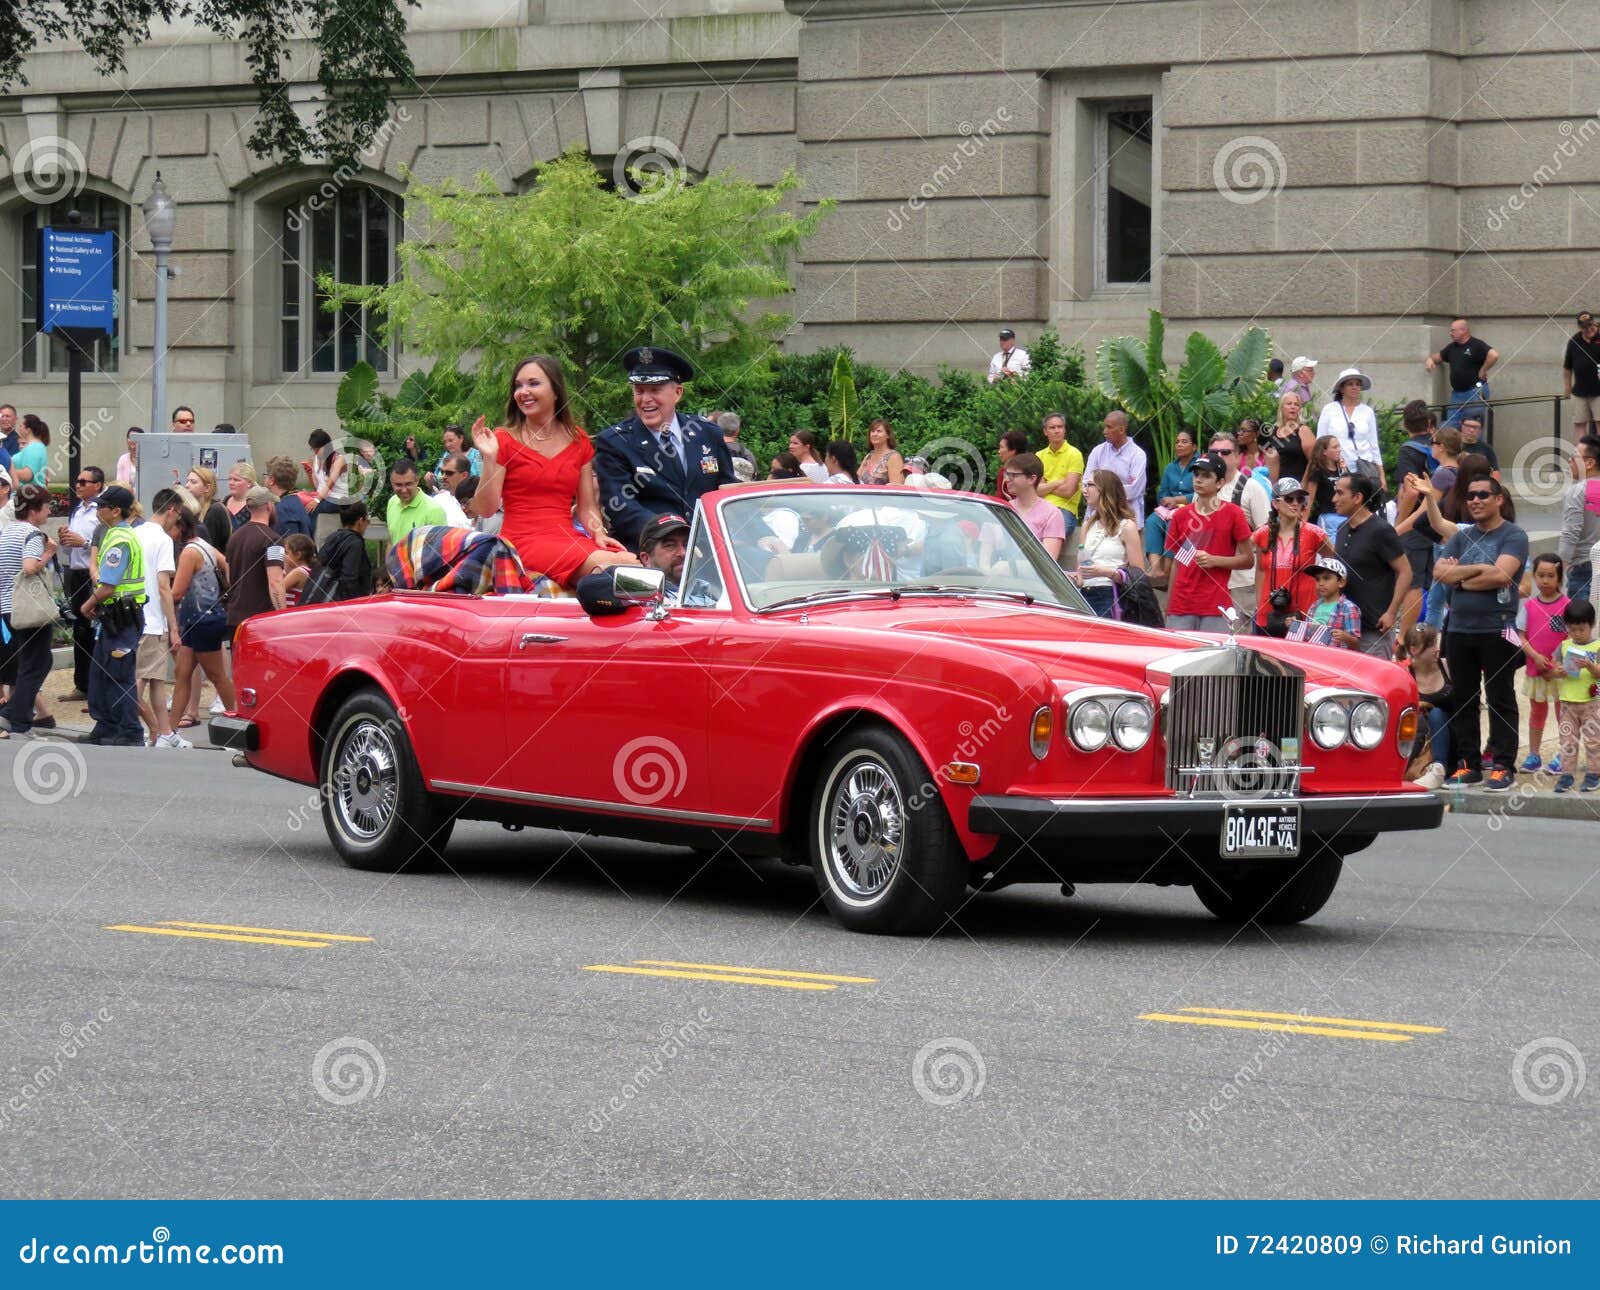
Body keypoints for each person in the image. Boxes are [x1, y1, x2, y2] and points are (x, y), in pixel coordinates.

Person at [474, 354, 637, 584]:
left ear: (556, 391)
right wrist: (490, 458)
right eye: (518, 386)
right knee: (615, 569)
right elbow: (486, 509)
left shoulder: (579, 440)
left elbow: (587, 507)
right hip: (523, 541)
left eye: (533, 383)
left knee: (632, 562)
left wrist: (599, 533)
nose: (523, 392)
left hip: (567, 538)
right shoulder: (503, 439)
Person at [593, 346, 737, 551]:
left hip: (710, 545)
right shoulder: (615, 441)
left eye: (655, 390)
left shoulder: (707, 433)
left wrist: (758, 535)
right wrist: (676, 536)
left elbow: (726, 491)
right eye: (639, 391)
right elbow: (621, 507)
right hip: (650, 549)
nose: (645, 399)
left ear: (677, 393)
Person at [1435, 477, 1528, 790]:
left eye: (1482, 495)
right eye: (1470, 495)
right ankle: (1467, 765)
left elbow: (1501, 574)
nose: (1474, 500)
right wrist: (1476, 574)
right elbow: (1438, 572)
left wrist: (1458, 577)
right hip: (1459, 629)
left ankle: (1503, 765)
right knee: (1464, 699)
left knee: (1501, 698)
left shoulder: (1513, 535)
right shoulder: (1462, 537)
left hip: (1497, 628)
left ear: (1498, 499)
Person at [80, 485, 148, 747]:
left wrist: (88, 605)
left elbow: (108, 585)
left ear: (115, 510)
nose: (98, 510)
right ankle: (106, 725)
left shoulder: (119, 539)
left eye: (102, 506)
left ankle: (129, 730)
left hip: (123, 617)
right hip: (115, 615)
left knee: (119, 674)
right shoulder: (115, 533)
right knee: (101, 670)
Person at [1161, 452, 1253, 632]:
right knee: (1180, 658)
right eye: (1196, 475)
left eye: (1206, 476)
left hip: (1216, 606)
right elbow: (1177, 564)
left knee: (1212, 658)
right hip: (1181, 605)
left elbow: (1248, 560)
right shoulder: (1180, 515)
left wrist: (1215, 560)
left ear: (1220, 483)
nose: (1198, 480)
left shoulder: (1233, 513)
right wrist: (1169, 605)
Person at [1331, 472, 1411, 658]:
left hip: (1373, 629)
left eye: (1340, 493)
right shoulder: (1342, 529)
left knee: (1371, 686)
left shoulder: (1381, 530)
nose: (1334, 499)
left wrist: (1392, 613)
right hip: (1345, 627)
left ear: (1357, 497)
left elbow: (1405, 571)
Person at [169, 499, 235, 725]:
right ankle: (171, 731)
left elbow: (177, 592)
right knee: (183, 674)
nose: (169, 532)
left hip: (201, 620)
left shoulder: (189, 552)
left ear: (180, 526)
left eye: (171, 527)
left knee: (217, 676)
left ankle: (237, 721)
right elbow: (227, 562)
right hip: (202, 619)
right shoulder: (203, 544)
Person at [0, 484, 57, 739]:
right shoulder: (32, 534)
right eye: (46, 507)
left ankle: (15, 715)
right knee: (37, 663)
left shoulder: (6, 532)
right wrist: (48, 553)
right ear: (35, 510)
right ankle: (14, 717)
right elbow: (30, 567)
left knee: (26, 665)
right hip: (28, 609)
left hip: (6, 608)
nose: (48, 513)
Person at [134, 489, 186, 749]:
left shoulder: (134, 532)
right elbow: (164, 586)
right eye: (176, 517)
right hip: (152, 618)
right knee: (142, 679)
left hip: (135, 615)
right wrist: (173, 627)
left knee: (155, 679)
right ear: (171, 511)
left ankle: (164, 731)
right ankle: (143, 728)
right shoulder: (163, 541)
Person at [1252, 478, 1334, 636]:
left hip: (1303, 614)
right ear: (1275, 504)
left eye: (1300, 499)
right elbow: (1261, 571)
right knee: (1267, 659)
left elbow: (1332, 565)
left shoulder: (1315, 533)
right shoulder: (1262, 533)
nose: (1296, 503)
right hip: (1270, 614)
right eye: (1289, 499)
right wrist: (1260, 606)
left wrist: (1324, 603)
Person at [1206, 431, 1271, 617]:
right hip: (1210, 579)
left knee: (1242, 640)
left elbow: (1266, 532)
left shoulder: (1251, 488)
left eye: (1225, 452)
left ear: (1237, 457)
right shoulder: (1201, 487)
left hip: (1243, 581)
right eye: (1214, 452)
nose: (1219, 457)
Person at [1515, 553, 1570, 774]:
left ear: (1559, 578)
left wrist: (1553, 664)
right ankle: (1534, 754)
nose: (1544, 581)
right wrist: (1536, 658)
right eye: (1540, 575)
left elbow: (1569, 637)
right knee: (1537, 712)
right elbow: (1520, 635)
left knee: (1563, 713)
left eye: (1550, 576)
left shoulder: (1567, 606)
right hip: (1535, 670)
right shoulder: (1528, 606)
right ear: (1534, 576)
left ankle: (1564, 754)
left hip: (1559, 673)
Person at [56, 464, 104, 700]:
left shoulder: (102, 511)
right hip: (75, 572)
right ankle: (82, 684)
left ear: (97, 485)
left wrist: (83, 542)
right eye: (77, 481)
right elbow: (72, 546)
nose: (78, 485)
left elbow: (105, 544)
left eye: (84, 482)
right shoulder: (78, 510)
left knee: (92, 628)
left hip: (92, 574)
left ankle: (95, 685)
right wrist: (65, 539)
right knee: (79, 629)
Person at [1072, 471, 1141, 619]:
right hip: (1083, 595)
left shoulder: (1127, 526)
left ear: (1105, 489)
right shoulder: (1087, 525)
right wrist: (1076, 577)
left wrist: (1107, 572)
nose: (1084, 490)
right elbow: (1080, 567)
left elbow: (1138, 575)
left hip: (1110, 595)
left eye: (1090, 485)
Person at [1552, 599, 1600, 793]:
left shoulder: (1597, 646)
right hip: (1567, 703)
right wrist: (1559, 671)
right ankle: (1566, 775)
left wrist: (1589, 665)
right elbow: (1552, 669)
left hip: (1592, 703)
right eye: (1572, 629)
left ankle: (1594, 774)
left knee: (1593, 739)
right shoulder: (1563, 646)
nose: (1577, 634)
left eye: (1582, 629)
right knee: (1567, 740)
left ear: (1592, 625)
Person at [225, 486, 285, 640]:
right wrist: (283, 616)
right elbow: (275, 581)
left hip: (235, 619)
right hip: (260, 621)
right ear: (269, 506)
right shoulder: (274, 540)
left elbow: (228, 576)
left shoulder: (234, 538)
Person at [1317, 367, 1385, 495]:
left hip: (1365, 468)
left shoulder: (1367, 411)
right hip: (1339, 467)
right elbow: (1320, 442)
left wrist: (1381, 475)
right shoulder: (1329, 410)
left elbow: (1374, 444)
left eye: (1358, 384)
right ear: (1342, 388)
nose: (1355, 387)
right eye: (1350, 384)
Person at [1404, 624, 1453, 788]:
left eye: (1436, 643)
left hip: (1449, 736)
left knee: (1437, 713)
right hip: (1418, 741)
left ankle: (1438, 770)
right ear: (1414, 649)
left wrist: (1427, 704)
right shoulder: (1404, 675)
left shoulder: (1447, 667)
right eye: (1431, 645)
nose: (1437, 649)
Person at [1141, 429, 1196, 573]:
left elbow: (1201, 493)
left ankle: (1168, 569)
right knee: (1152, 521)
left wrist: (1178, 501)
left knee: (1174, 522)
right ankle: (1156, 570)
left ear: (1194, 446)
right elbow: (1162, 493)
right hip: (1168, 509)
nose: (1179, 445)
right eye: (1177, 442)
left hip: (1190, 509)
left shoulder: (1199, 466)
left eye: (1184, 442)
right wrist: (1165, 501)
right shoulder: (1170, 467)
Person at [1427, 317, 1498, 427]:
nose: (1450, 333)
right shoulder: (1452, 347)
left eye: (1453, 330)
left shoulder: (1476, 344)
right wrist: (1430, 360)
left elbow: (1494, 355)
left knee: (1473, 427)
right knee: (1449, 426)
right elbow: (1438, 357)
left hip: (1475, 392)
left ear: (1464, 330)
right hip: (1457, 394)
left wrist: (1483, 370)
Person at [1084, 410, 1148, 525]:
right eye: (1105, 427)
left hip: (1127, 516)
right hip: (1097, 515)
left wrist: (1099, 490)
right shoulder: (1098, 451)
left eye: (1109, 427)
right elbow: (1085, 484)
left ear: (1121, 430)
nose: (1104, 431)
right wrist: (1116, 489)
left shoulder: (1138, 454)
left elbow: (1133, 490)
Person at [1559, 433, 1600, 601]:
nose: (1569, 461)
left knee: (1582, 625)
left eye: (1574, 457)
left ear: (1589, 462)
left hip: (1585, 568)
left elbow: (1571, 531)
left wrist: (1560, 567)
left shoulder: (1578, 491)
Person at [1001, 453, 1065, 560]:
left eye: (1014, 475)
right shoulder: (1001, 509)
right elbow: (984, 556)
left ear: (1032, 479)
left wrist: (1005, 568)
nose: (1007, 479)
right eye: (1007, 474)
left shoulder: (1052, 514)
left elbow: (1047, 562)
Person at [1035, 412, 1083, 552]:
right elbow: (1035, 491)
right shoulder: (1039, 455)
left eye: (1060, 427)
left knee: (1047, 543)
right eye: (1052, 427)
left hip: (1065, 511)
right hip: (1041, 508)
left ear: (1064, 429)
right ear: (1045, 431)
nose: (1057, 430)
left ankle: (1047, 571)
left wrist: (1046, 485)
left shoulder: (1074, 454)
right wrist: (1058, 483)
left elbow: (1069, 491)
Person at [1301, 557, 1363, 650]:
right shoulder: (1314, 606)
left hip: (1334, 658)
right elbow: (1307, 633)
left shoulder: (1348, 608)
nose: (1321, 583)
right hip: (1312, 655)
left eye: (1326, 578)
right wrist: (1294, 625)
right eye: (1317, 579)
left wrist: (1346, 637)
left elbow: (1357, 644)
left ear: (1341, 582)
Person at [318, 500, 374, 599]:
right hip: (346, 604)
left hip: (325, 598)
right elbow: (349, 578)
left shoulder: (332, 537)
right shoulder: (355, 543)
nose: (367, 524)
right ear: (360, 521)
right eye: (367, 520)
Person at [384, 458, 446, 544]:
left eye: (408, 484)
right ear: (391, 483)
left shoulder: (434, 510)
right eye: (398, 485)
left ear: (417, 481)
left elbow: (439, 550)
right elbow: (391, 542)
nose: (404, 490)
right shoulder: (392, 502)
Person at [1265, 391, 1315, 491]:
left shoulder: (1303, 430)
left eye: (1296, 404)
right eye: (1289, 404)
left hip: (1297, 489)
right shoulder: (1273, 431)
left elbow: (1314, 461)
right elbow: (1268, 462)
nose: (1293, 407)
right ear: (1282, 408)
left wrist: (1303, 485)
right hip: (1277, 489)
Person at [1563, 310, 1600, 437]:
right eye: (1585, 327)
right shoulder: (1574, 342)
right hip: (1579, 392)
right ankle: (1583, 455)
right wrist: (1567, 389)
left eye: (1590, 325)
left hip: (1599, 392)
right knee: (1579, 424)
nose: (1589, 329)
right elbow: (1567, 368)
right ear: (1580, 328)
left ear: (1594, 323)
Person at [264, 456, 313, 539]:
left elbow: (283, 548)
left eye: (265, 475)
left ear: (271, 480)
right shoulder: (295, 501)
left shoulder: (281, 509)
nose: (264, 479)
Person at [1303, 434, 1344, 530]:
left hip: (1345, 516)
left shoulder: (1341, 469)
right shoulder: (1318, 471)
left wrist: (1345, 470)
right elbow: (1310, 498)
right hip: (1328, 516)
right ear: (1324, 451)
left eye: (1339, 446)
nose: (1339, 449)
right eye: (1335, 447)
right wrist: (1303, 521)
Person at [186, 466, 232, 549]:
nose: (187, 485)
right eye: (187, 481)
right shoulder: (194, 510)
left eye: (193, 482)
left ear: (207, 488)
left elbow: (210, 547)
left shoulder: (215, 510)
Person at [307, 429, 348, 517]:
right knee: (299, 503)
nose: (315, 452)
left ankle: (311, 530)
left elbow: (330, 484)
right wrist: (310, 472)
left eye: (318, 449)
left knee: (313, 510)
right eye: (313, 449)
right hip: (322, 497)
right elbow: (316, 487)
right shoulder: (315, 459)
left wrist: (317, 500)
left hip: (338, 498)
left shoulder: (339, 460)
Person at [429, 454, 475, 529]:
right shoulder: (437, 500)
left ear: (464, 475)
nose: (443, 476)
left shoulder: (477, 504)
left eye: (449, 473)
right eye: (442, 472)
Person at [860, 419, 906, 485]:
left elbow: (896, 487)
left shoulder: (893, 457)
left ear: (888, 435)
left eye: (879, 431)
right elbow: (856, 480)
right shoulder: (868, 456)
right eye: (872, 431)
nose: (874, 434)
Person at [10, 414, 49, 486]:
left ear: (28, 430)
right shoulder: (36, 446)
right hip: (28, 493)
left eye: (21, 426)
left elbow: (27, 475)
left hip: (29, 494)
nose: (19, 428)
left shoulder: (33, 447)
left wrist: (6, 471)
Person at [223, 461, 258, 531]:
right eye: (230, 479)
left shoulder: (255, 505)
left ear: (249, 483)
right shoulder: (226, 500)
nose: (231, 483)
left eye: (236, 480)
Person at [995, 429, 1028, 502]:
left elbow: (999, 500)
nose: (999, 451)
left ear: (1013, 450)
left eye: (1001, 447)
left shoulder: (1026, 472)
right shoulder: (1003, 471)